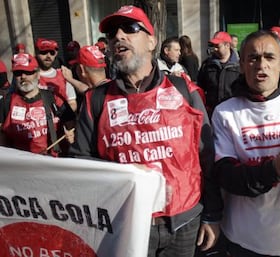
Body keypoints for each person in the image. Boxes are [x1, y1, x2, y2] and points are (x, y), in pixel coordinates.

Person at [68, 5, 222, 257]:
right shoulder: (96, 100)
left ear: (152, 41)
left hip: (184, 222)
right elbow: (78, 162)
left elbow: (207, 155)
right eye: (112, 34)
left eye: (129, 28)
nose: (118, 36)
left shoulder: (184, 90)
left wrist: (213, 214)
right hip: (125, 225)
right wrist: (122, 172)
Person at [211, 30, 280, 257]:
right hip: (244, 240)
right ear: (241, 65)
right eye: (253, 58)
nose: (261, 65)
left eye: (269, 57)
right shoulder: (225, 112)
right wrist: (274, 170)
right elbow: (226, 176)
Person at [0, 53, 76, 156]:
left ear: (38, 74)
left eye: (28, 72)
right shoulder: (5, 103)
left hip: (54, 161)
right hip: (22, 165)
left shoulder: (55, 98)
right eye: (18, 73)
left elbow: (73, 126)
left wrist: (72, 137)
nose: (23, 77)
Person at [197, 31, 240, 117]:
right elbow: (200, 88)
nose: (215, 49)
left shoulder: (239, 65)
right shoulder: (207, 64)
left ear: (227, 45)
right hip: (212, 112)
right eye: (213, 46)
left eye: (217, 46)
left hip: (233, 112)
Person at [35, 38, 78, 112]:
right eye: (44, 52)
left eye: (52, 53)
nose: (48, 56)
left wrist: (62, 116)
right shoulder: (29, 76)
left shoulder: (63, 75)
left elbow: (72, 102)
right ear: (36, 52)